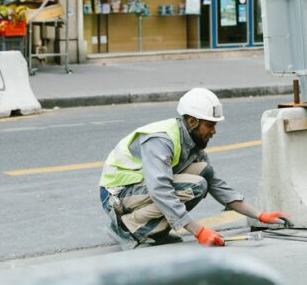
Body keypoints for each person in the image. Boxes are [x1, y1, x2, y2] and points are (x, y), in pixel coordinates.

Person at [98, 87, 289, 250]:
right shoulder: (161, 140)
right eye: (210, 125)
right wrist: (199, 231)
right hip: (118, 195)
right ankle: (126, 228)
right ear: (192, 122)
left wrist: (260, 215)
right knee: (195, 186)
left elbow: (215, 183)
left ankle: (156, 231)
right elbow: (160, 190)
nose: (214, 131)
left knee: (204, 173)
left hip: (138, 190)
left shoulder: (191, 141)